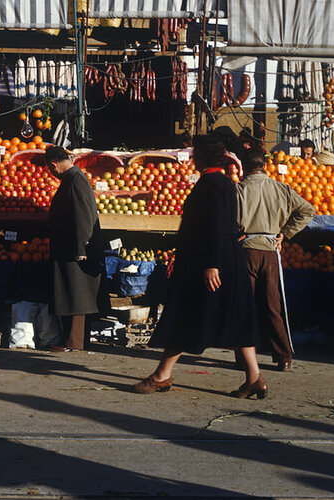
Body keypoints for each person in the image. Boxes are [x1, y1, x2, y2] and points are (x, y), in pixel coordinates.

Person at [135, 135, 265, 398]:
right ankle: (255, 379)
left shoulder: (211, 185)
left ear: (204, 157)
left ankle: (162, 375)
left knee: (186, 314)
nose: (192, 158)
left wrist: (212, 265)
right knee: (236, 317)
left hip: (208, 263)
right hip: (228, 261)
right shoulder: (224, 183)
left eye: (195, 154)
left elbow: (217, 226)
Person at [236, 147, 315, 371]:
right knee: (273, 306)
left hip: (247, 251)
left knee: (245, 306)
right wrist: (285, 233)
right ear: (265, 166)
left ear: (244, 166)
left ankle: (244, 357)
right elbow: (307, 211)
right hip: (270, 252)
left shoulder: (238, 190)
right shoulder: (281, 189)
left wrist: (236, 234)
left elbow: (228, 220)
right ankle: (283, 356)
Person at [46, 146, 109, 352]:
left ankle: (74, 343)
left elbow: (84, 215)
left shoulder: (76, 180)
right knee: (74, 293)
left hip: (76, 248)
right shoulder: (73, 179)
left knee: (77, 294)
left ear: (53, 165)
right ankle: (73, 341)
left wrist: (82, 247)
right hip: (73, 246)